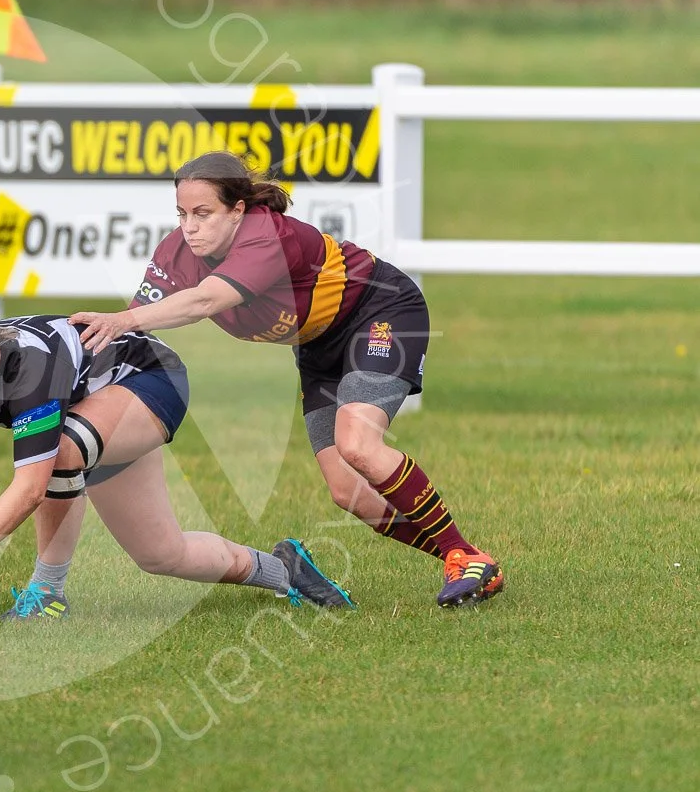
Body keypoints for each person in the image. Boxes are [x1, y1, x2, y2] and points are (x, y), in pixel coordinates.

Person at [70, 151, 503, 609]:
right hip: (317, 346)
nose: (189, 227)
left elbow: (203, 301)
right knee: (347, 491)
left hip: (380, 311)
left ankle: (463, 557)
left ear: (238, 209)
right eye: (181, 213)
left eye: (203, 213)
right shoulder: (175, 253)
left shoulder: (265, 234)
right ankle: (470, 559)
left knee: (357, 444)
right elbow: (141, 322)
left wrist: (121, 319)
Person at [0, 313, 353, 614]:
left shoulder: (30, 370)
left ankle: (47, 593)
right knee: (160, 554)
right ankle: (283, 568)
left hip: (149, 378)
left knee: (59, 453)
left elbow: (30, 488)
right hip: (94, 403)